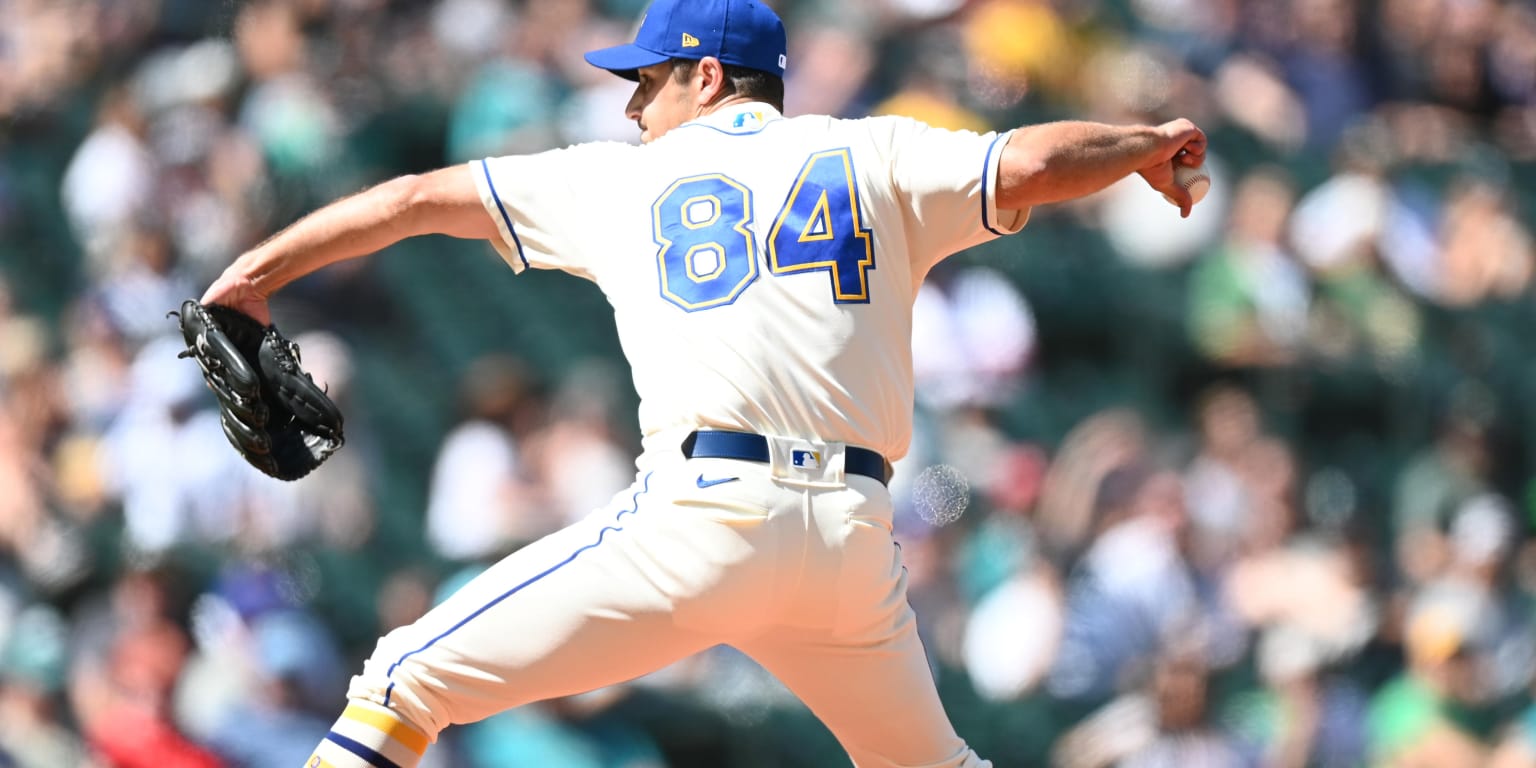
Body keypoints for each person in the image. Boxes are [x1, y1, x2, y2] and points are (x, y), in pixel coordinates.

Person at [198, 1, 1207, 765]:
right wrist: (1146, 147)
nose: (632, 100)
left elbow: (417, 198)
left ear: (711, 78)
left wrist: (256, 276)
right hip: (851, 543)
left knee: (402, 680)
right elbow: (1031, 162)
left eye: (649, 79)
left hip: (707, 518)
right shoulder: (870, 150)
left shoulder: (623, 178)